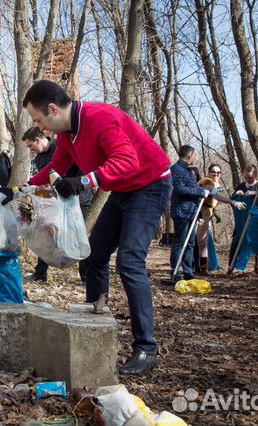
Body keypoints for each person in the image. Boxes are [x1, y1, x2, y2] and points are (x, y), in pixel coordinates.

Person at [19, 79, 172, 375]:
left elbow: (126, 160)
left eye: (39, 120)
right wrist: (19, 189)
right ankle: (95, 313)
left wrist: (85, 181)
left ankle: (146, 349)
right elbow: (56, 169)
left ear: (52, 109)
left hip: (151, 185)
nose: (41, 128)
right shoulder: (66, 135)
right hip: (123, 190)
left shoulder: (100, 118)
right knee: (94, 255)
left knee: (129, 260)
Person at [22, 126, 93, 283]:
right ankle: (40, 273)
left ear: (38, 140)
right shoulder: (39, 158)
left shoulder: (60, 147)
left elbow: (75, 172)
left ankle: (87, 277)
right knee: (45, 232)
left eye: (30, 145)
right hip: (55, 203)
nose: (30, 149)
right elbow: (46, 180)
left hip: (79, 198)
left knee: (82, 234)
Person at [169, 146, 215, 282]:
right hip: (181, 212)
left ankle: (188, 271)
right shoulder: (176, 170)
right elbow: (180, 189)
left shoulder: (189, 171)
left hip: (192, 212)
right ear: (189, 155)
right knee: (179, 242)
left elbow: (194, 187)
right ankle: (175, 272)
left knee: (190, 243)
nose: (195, 158)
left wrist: (205, 190)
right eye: (194, 155)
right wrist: (201, 193)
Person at [195, 164, 246, 275]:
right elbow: (215, 196)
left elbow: (211, 200)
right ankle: (201, 269)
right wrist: (232, 202)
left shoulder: (214, 183)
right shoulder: (208, 182)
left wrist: (217, 215)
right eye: (213, 171)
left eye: (218, 172)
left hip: (206, 213)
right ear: (208, 172)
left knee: (201, 242)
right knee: (201, 242)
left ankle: (201, 268)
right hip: (200, 214)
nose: (216, 174)